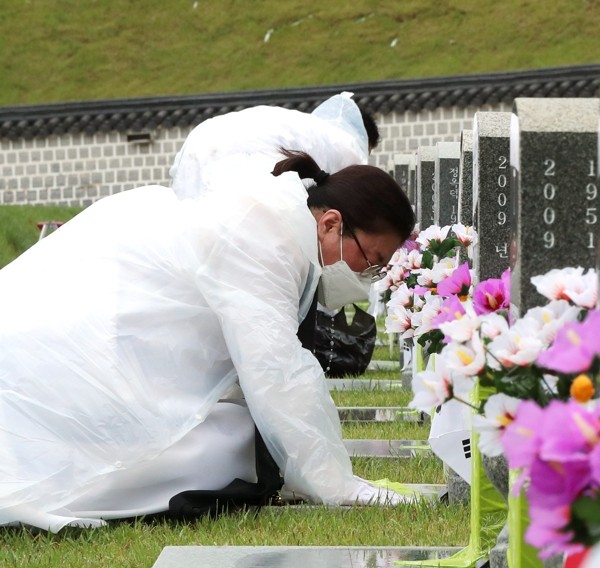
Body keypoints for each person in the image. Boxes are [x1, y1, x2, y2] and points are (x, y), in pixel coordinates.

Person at [0, 151, 415, 532]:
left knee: (236, 437)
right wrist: (334, 482)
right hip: (94, 345)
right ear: (331, 223)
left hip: (120, 334)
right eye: (371, 260)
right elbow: (275, 371)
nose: (366, 277)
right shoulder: (268, 236)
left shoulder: (279, 218)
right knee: (224, 447)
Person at [169, 92, 378, 200]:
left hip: (202, 137)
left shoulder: (312, 129)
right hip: (237, 155)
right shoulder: (346, 145)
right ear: (363, 139)